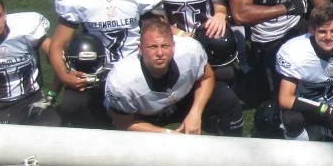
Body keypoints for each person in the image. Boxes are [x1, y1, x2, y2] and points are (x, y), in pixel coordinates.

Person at [50, 0, 166, 128]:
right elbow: (58, 44)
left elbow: (158, 33)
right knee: (72, 108)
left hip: (134, 67)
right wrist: (65, 77)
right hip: (96, 72)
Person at [256, 4, 333, 144]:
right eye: (322, 31)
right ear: (312, 30)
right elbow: (285, 99)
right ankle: (300, 146)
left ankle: (321, 131)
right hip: (303, 109)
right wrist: (325, 110)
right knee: (292, 120)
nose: (328, 37)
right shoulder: (295, 52)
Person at [104, 17, 243, 136]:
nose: (159, 53)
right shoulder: (122, 81)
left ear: (174, 46)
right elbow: (123, 123)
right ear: (140, 49)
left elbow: (206, 77)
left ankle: (233, 151)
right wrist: (168, 134)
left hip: (183, 99)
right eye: (152, 47)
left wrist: (195, 113)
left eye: (165, 46)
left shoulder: (190, 50)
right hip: (146, 115)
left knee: (224, 97)